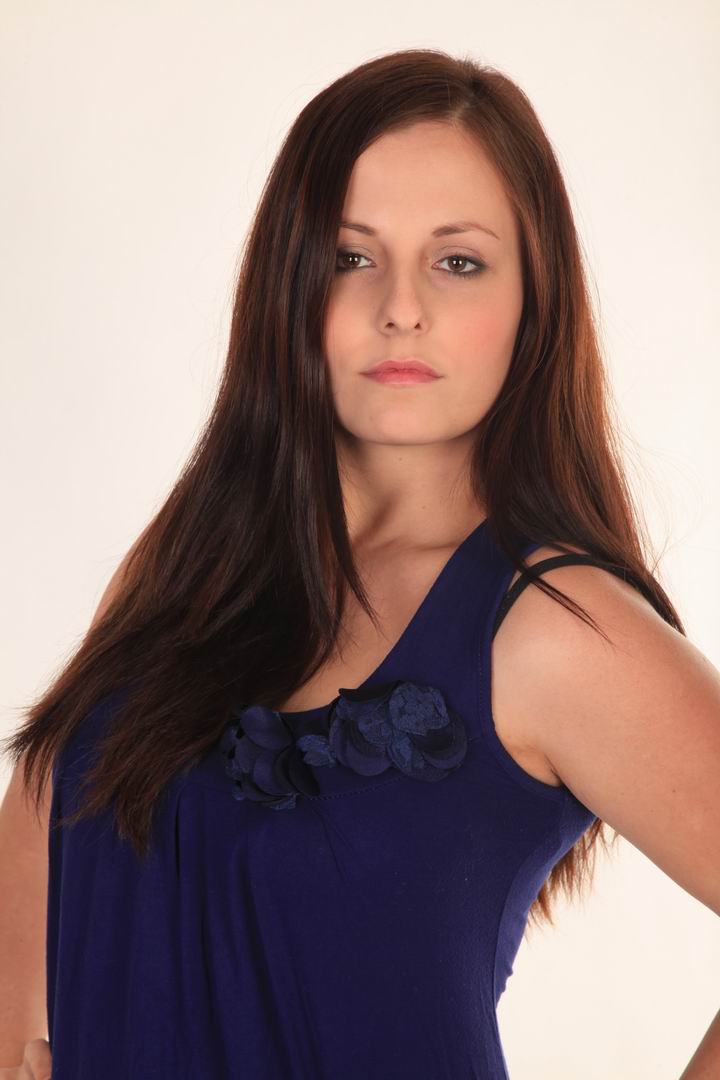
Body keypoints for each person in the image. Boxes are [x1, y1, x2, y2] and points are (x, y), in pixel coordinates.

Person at [1, 48, 718, 1080]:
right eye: (350, 256)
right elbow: (45, 805)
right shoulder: (188, 561)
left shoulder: (555, 627)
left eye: (458, 262)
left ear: (536, 301)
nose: (401, 307)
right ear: (287, 283)